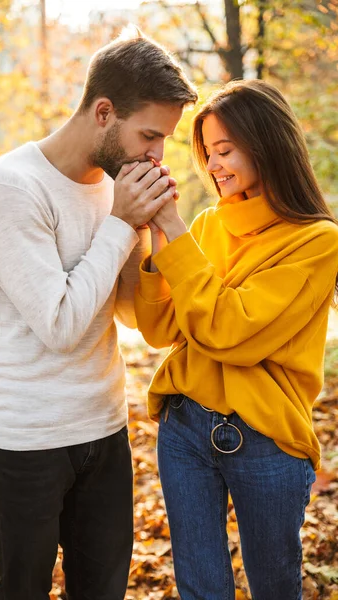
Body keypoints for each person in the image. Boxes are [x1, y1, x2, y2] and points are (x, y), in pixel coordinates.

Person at [0, 28, 197, 600]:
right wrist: (121, 225)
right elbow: (62, 326)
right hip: (28, 442)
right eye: (149, 135)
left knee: (102, 591)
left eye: (164, 139)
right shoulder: (9, 187)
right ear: (103, 111)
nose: (156, 154)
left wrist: (152, 233)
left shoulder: (110, 190)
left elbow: (129, 316)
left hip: (105, 429)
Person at [134, 79, 338, 600]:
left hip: (266, 440)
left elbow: (230, 330)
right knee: (200, 590)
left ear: (265, 143)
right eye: (208, 152)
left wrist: (176, 234)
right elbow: (160, 330)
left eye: (225, 149)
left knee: (273, 587)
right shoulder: (206, 226)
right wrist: (160, 244)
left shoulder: (317, 241)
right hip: (183, 428)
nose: (214, 164)